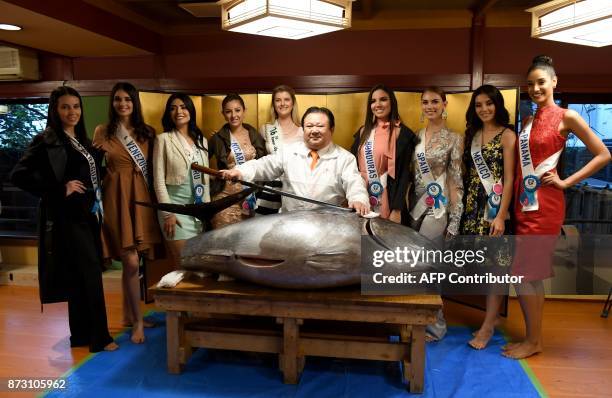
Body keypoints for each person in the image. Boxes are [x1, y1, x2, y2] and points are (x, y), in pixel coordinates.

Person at [504, 55, 610, 359]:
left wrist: (566, 182)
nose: (535, 88)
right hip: (524, 204)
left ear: (554, 82)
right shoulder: (527, 121)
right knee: (529, 275)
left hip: (546, 204)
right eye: (530, 84)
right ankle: (532, 338)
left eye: (541, 81)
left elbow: (603, 155)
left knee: (525, 274)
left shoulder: (568, 117)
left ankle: (533, 341)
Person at [11, 86, 118, 352]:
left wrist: (99, 159)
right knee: (90, 275)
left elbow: (81, 173)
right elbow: (18, 176)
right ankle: (100, 338)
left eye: (76, 106)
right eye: (65, 107)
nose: (72, 112)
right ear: (55, 110)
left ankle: (80, 335)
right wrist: (61, 188)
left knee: (80, 276)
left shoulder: (78, 139)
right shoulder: (47, 139)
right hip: (68, 220)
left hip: (87, 215)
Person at [93, 82, 161, 344]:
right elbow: (92, 165)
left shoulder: (148, 133)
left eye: (128, 100)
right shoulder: (103, 131)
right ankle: (139, 323)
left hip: (142, 197)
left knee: (138, 262)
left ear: (135, 103)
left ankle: (127, 315)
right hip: (116, 199)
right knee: (130, 262)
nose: (123, 104)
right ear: (112, 102)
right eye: (118, 99)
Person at [220, 106, 370, 215]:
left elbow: (354, 183)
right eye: (309, 126)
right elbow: (264, 165)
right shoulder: (289, 151)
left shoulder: (345, 158)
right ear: (303, 129)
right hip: (289, 223)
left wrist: (359, 199)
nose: (314, 130)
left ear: (332, 129)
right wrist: (240, 171)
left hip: (327, 226)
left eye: (320, 126)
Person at [459, 84, 516, 349]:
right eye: (479, 104)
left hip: (494, 212)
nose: (484, 109)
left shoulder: (507, 135)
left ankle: (488, 325)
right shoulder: (472, 134)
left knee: (495, 271)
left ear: (498, 105)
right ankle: (488, 319)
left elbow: (510, 178)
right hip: (472, 210)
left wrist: (502, 215)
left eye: (489, 104)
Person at [408, 86, 464, 342]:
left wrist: (454, 219)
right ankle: (415, 320)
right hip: (414, 208)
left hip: (438, 209)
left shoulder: (454, 138)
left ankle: (436, 326)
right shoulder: (416, 137)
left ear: (444, 104)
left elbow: (455, 179)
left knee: (430, 268)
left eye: (435, 102)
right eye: (425, 102)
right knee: (413, 267)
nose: (430, 106)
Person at [153, 93, 211, 268]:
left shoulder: (202, 141)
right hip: (175, 211)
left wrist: (206, 213)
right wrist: (168, 213)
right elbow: (158, 180)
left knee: (197, 267)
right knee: (183, 265)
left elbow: (205, 180)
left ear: (191, 111)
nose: (179, 111)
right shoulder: (163, 139)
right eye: (173, 108)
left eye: (183, 107)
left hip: (197, 212)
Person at [350, 84, 417, 224]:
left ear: (392, 102)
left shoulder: (403, 134)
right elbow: (351, 168)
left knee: (384, 243)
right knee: (362, 241)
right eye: (373, 101)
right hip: (361, 194)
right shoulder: (363, 132)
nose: (377, 104)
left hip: (388, 197)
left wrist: (397, 209)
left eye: (383, 99)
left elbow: (404, 174)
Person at [208, 94, 266, 227]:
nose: (233, 115)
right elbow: (201, 159)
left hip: (249, 200)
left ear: (244, 111)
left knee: (246, 245)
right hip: (225, 201)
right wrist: (213, 177)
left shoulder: (255, 135)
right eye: (228, 111)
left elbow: (264, 164)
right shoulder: (217, 138)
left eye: (237, 110)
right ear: (223, 114)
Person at [256, 85, 304, 215]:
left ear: (293, 103)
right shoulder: (266, 129)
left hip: (295, 187)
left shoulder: (303, 130)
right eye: (278, 100)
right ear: (274, 104)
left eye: (286, 99)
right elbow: (258, 158)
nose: (282, 104)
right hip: (272, 186)